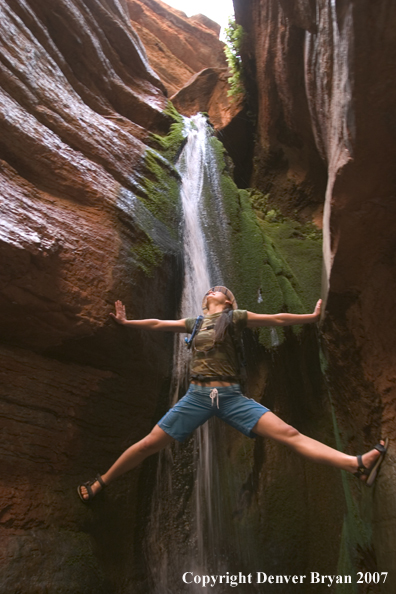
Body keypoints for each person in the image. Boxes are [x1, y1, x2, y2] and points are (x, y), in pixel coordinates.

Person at [77, 286, 388, 501]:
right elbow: (159, 324)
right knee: (148, 444)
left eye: (220, 291)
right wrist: (127, 322)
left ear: (227, 303)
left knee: (289, 433)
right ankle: (102, 482)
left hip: (232, 398)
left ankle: (355, 465)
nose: (212, 290)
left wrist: (310, 317)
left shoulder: (234, 318)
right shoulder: (195, 323)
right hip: (197, 397)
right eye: (211, 291)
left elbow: (275, 320)